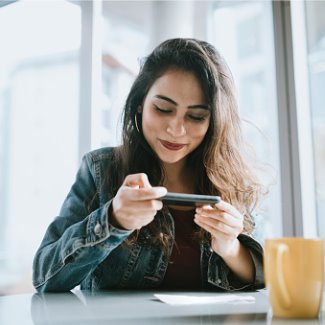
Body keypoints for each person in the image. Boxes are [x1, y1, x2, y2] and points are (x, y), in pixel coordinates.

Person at [32, 38, 265, 293]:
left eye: (196, 116)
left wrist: (230, 247)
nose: (176, 129)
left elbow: (264, 277)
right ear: (141, 103)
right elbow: (44, 278)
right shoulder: (101, 170)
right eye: (163, 109)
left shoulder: (230, 180)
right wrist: (112, 220)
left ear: (215, 121)